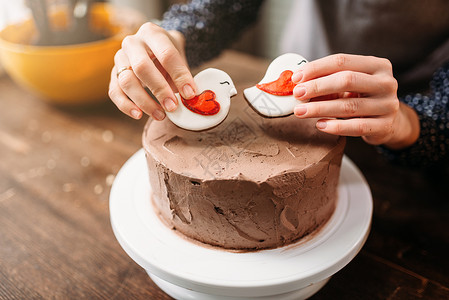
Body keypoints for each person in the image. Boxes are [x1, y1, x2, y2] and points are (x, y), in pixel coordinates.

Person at [108, 0, 449, 167]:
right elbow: (222, 8)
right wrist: (172, 37)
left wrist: (413, 123)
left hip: (422, 118)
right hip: (302, 100)